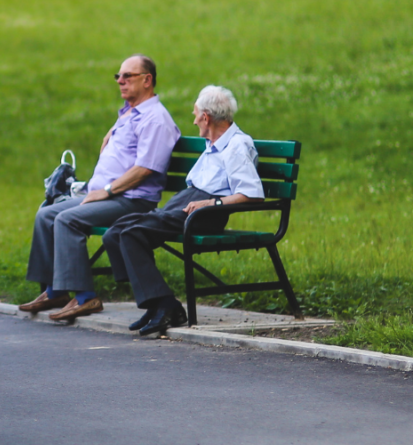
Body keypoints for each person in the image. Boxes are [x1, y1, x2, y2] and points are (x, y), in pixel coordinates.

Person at [18, 55, 181, 322]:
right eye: (118, 76)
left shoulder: (155, 119)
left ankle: (85, 297)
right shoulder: (130, 113)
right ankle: (55, 290)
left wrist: (107, 191)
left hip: (131, 200)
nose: (120, 81)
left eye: (127, 76)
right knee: (46, 214)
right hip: (108, 195)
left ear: (147, 80)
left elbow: (146, 169)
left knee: (67, 220)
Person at [101, 86, 265, 336]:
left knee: (132, 233)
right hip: (189, 203)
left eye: (195, 114)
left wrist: (212, 203)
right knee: (116, 231)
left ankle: (166, 305)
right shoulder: (214, 143)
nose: (194, 119)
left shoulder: (236, 145)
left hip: (205, 213)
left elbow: (252, 193)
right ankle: (156, 302)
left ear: (206, 117)